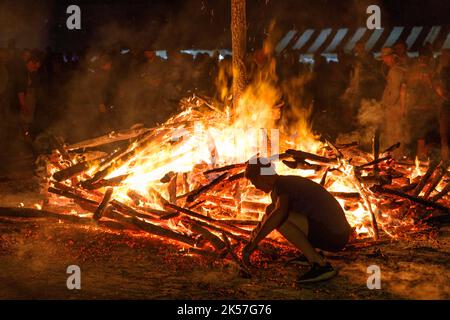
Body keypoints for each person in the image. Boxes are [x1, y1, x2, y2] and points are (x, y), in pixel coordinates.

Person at [242, 158, 352, 283]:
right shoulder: (281, 185)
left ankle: (321, 265)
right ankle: (313, 254)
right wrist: (252, 238)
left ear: (261, 176)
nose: (255, 186)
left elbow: (279, 214)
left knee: (279, 219)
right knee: (272, 210)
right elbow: (270, 213)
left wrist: (255, 242)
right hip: (334, 233)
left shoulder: (283, 185)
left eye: (254, 181)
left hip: (335, 236)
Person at [379, 47, 407, 159]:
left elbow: (396, 91)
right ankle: (396, 156)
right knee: (395, 132)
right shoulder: (398, 70)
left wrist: (388, 105)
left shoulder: (395, 71)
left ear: (391, 57)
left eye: (385, 57)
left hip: (394, 107)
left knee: (394, 133)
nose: (384, 60)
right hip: (396, 106)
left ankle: (396, 157)